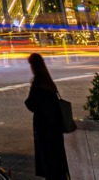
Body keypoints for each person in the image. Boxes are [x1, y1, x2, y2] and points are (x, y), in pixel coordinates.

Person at [22, 52, 69, 180]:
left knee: (48, 161)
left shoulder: (38, 81)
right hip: (55, 127)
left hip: (44, 127)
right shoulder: (48, 81)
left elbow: (31, 103)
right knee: (57, 160)